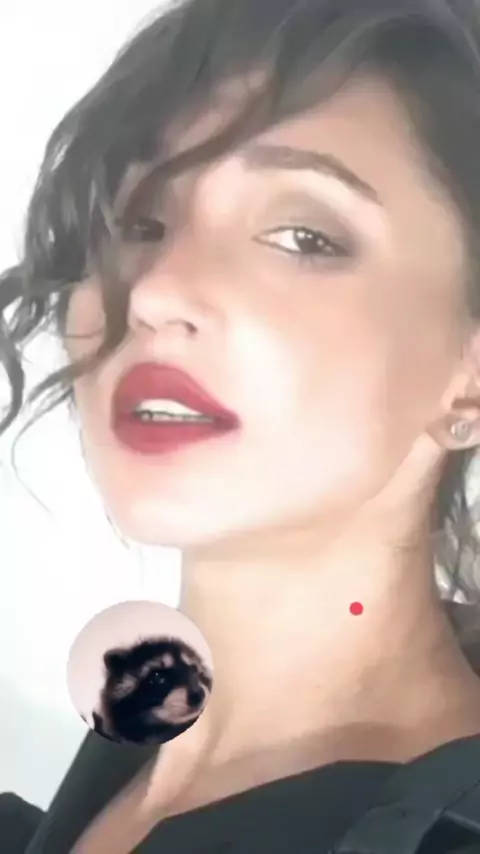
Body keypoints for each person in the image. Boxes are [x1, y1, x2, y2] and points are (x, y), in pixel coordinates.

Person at [2, 0, 480, 851]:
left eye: (303, 236)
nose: (155, 290)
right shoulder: (149, 736)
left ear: (469, 379)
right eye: (140, 223)